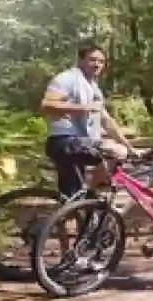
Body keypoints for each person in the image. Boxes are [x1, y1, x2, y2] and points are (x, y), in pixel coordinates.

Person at [40, 41, 112, 197]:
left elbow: (106, 120)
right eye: (92, 60)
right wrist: (84, 108)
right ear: (80, 61)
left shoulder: (93, 87)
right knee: (115, 153)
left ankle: (87, 205)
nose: (97, 64)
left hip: (79, 142)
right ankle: (90, 202)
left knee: (72, 196)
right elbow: (46, 105)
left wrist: (131, 147)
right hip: (64, 141)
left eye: (101, 61)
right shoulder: (67, 79)